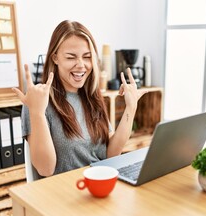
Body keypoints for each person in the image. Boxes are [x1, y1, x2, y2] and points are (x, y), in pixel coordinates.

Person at [12, 20, 146, 177]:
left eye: (87, 57)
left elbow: (111, 155)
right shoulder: (37, 101)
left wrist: (131, 108)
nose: (81, 65)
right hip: (66, 192)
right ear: (55, 58)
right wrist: (37, 113)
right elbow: (45, 169)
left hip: (99, 184)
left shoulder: (91, 97)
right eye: (71, 57)